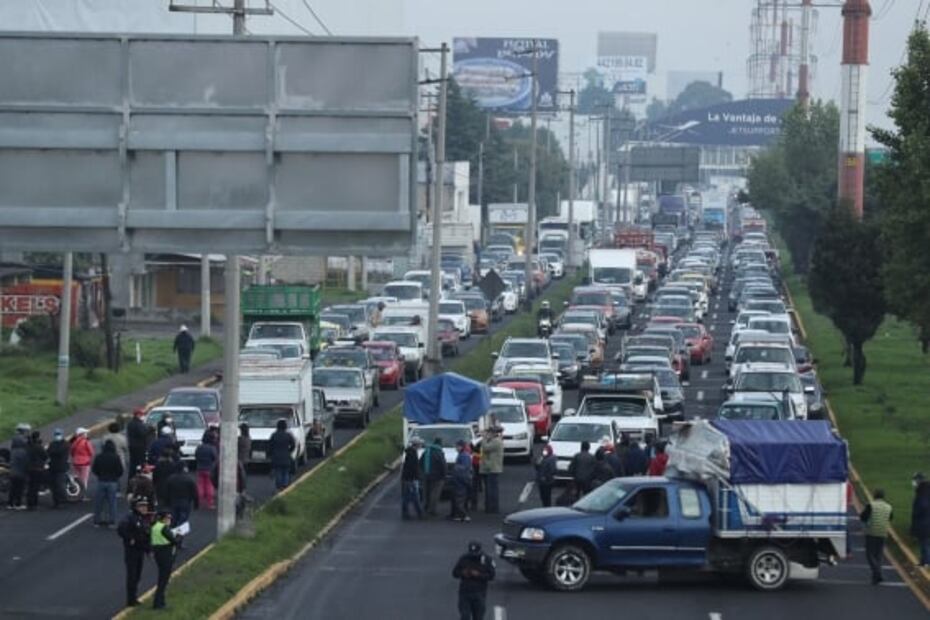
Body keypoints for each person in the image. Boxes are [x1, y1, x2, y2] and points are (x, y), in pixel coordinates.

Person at [117, 499, 151, 607]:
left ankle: (134, 596)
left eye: (145, 506)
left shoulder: (143, 519)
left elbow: (145, 536)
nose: (144, 508)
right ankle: (131, 599)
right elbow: (121, 529)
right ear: (135, 507)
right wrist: (130, 538)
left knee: (137, 575)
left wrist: (148, 550)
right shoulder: (130, 518)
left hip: (140, 550)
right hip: (132, 552)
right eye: (141, 506)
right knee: (132, 576)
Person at [452, 541, 496, 620]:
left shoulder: (487, 560)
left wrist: (479, 575)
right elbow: (455, 573)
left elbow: (492, 575)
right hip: (465, 593)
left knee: (478, 617)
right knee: (465, 616)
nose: (473, 556)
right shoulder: (464, 558)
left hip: (479, 593)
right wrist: (462, 573)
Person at [860, 488, 893, 584]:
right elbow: (890, 517)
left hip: (871, 532)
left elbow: (863, 517)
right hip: (883, 532)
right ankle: (876, 577)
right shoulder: (889, 507)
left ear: (874, 496)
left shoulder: (871, 505)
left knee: (870, 554)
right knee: (878, 555)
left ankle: (877, 572)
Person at [150, 510, 180, 610]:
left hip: (158, 553)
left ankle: (160, 602)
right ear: (163, 519)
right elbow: (174, 541)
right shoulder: (163, 528)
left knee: (162, 579)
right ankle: (158, 603)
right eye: (168, 518)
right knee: (163, 580)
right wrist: (179, 536)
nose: (170, 520)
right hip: (165, 554)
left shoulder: (155, 526)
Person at [92, 440, 124, 526]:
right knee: (112, 503)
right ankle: (112, 521)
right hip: (112, 482)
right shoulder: (116, 457)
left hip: (101, 481)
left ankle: (97, 521)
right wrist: (115, 477)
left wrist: (100, 475)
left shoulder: (99, 457)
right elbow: (120, 470)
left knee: (99, 502)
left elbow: (94, 469)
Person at [420, 437, 447, 517]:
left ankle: (426, 506)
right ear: (440, 443)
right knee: (434, 493)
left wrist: (422, 473)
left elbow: (421, 462)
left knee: (426, 492)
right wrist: (444, 475)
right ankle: (432, 510)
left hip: (426, 475)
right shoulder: (439, 452)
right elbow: (443, 465)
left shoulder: (427, 451)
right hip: (437, 476)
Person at [479, 427, 503, 514]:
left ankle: (493, 508)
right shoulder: (493, 441)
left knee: (492, 490)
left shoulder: (496, 441)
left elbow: (485, 448)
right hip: (489, 468)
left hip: (493, 468)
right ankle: (489, 506)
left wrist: (484, 438)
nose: (487, 434)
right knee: (489, 489)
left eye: (489, 433)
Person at [268, 419, 296, 490]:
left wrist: (271, 454)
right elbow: (293, 445)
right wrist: (289, 451)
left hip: (276, 456)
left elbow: (270, 446)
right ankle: (285, 485)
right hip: (286, 455)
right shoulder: (288, 435)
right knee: (286, 471)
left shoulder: (274, 435)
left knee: (278, 472)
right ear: (285, 427)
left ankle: (279, 486)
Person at [449, 440, 473, 522]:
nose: (456, 448)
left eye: (457, 446)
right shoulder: (464, 455)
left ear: (461, 447)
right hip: (461, 480)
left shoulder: (464, 456)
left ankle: (463, 515)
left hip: (460, 480)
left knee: (459, 499)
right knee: (459, 498)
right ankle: (458, 515)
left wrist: (455, 470)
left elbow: (463, 469)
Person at [47, 429, 71, 508]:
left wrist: (53, 452)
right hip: (53, 467)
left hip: (61, 467)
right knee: (54, 486)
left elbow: (54, 452)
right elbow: (49, 452)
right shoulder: (54, 444)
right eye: (56, 434)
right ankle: (57, 502)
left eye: (58, 434)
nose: (57, 436)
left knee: (60, 485)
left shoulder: (64, 444)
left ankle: (62, 501)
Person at [401, 438, 423, 520]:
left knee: (407, 496)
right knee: (415, 496)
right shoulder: (413, 453)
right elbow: (413, 467)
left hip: (407, 478)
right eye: (420, 444)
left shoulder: (410, 452)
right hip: (411, 479)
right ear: (416, 444)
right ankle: (419, 513)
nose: (421, 445)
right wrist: (417, 477)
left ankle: (406, 513)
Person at [25, 431, 48, 510]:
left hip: (29, 468)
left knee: (30, 486)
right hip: (37, 469)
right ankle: (34, 504)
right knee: (35, 487)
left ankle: (29, 503)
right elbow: (45, 456)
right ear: (37, 437)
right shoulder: (38, 446)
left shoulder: (28, 446)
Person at [911, 473, 930, 567]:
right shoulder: (925, 490)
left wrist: (916, 512)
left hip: (924, 522)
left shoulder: (922, 492)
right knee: (924, 542)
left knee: (924, 543)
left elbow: (923, 505)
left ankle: (926, 561)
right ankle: (924, 561)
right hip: (925, 521)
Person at [194, 433, 218, 509]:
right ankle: (209, 503)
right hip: (209, 469)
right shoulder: (212, 448)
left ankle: (200, 502)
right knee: (209, 485)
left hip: (200, 468)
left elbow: (196, 456)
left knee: (200, 485)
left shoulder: (199, 447)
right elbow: (215, 457)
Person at [126, 408, 150, 485]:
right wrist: (148, 429)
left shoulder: (130, 423)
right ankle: (141, 482)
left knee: (133, 465)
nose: (143, 416)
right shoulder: (138, 424)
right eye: (142, 415)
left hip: (132, 446)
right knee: (141, 465)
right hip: (140, 447)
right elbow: (143, 433)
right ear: (138, 415)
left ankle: (130, 483)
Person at [7, 430, 29, 510]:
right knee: (19, 489)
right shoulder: (23, 452)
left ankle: (10, 503)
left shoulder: (13, 451)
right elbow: (26, 462)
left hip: (13, 472)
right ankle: (18, 504)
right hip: (21, 472)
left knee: (12, 489)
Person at [70, 427, 95, 492]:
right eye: (85, 433)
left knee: (77, 480)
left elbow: (72, 452)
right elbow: (91, 452)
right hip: (85, 463)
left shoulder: (74, 442)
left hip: (76, 462)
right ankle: (83, 495)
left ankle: (77, 493)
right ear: (82, 434)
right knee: (84, 480)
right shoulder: (86, 442)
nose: (86, 434)